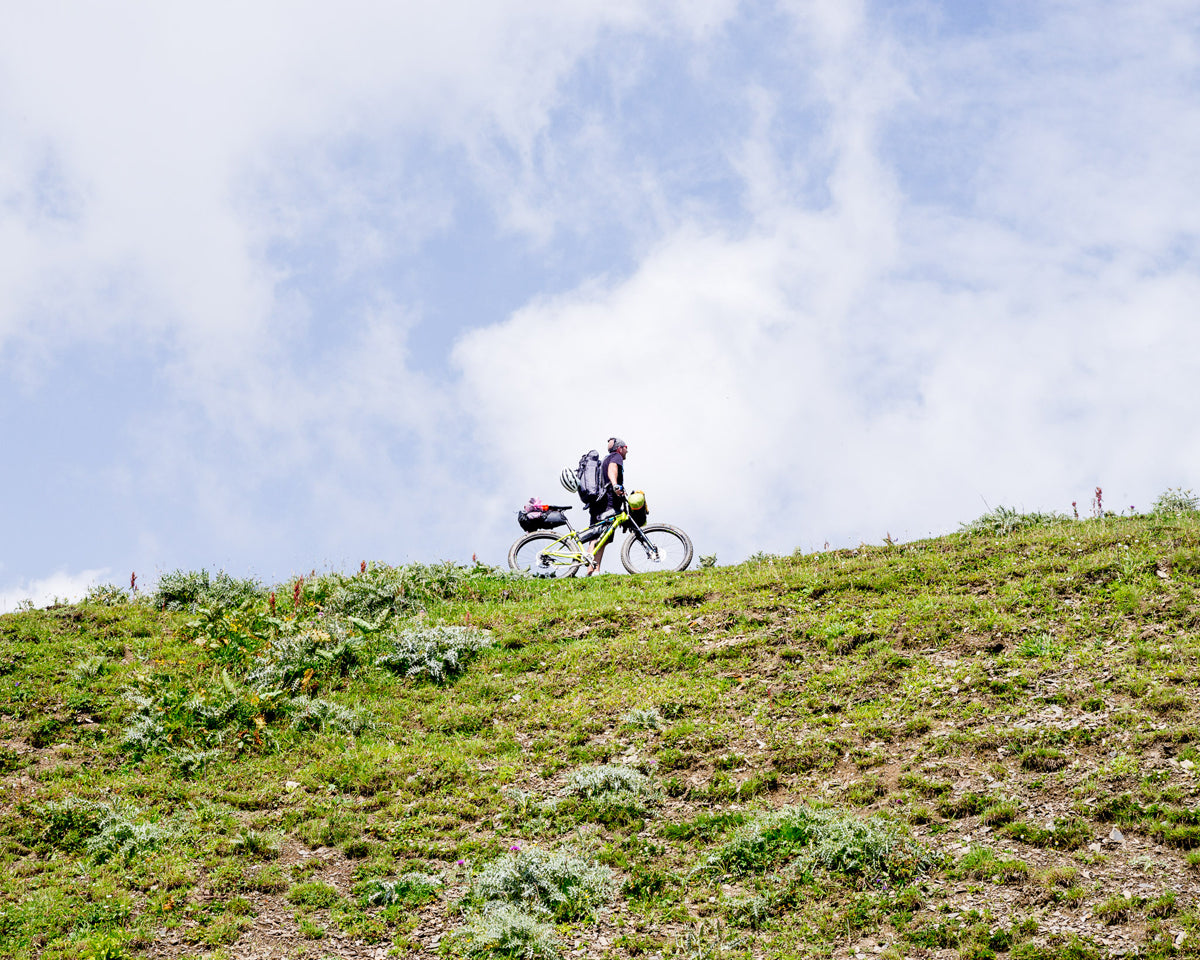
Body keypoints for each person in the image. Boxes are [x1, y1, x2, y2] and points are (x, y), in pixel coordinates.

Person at [587, 437, 628, 574]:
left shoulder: (605, 458)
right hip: (607, 502)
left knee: (601, 537)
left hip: (598, 503)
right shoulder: (616, 457)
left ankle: (593, 571)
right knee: (600, 536)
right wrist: (616, 485)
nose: (627, 451)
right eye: (626, 447)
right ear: (620, 448)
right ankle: (591, 570)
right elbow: (612, 470)